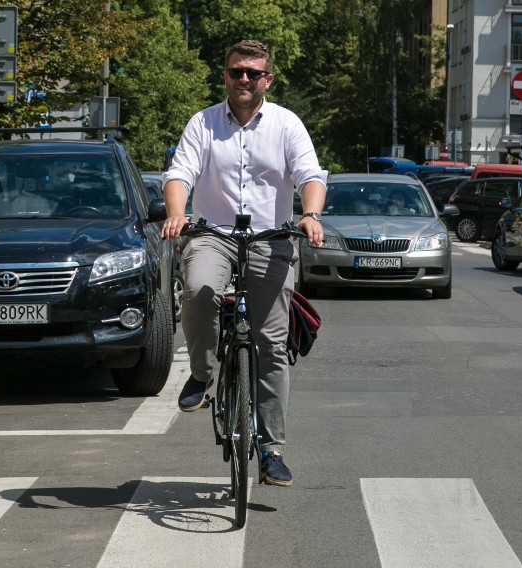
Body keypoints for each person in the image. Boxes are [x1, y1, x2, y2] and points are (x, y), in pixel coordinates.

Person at [160, 39, 327, 487]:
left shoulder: (287, 124)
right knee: (198, 290)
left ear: (267, 79)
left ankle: (272, 448)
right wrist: (177, 213)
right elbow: (179, 174)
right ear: (226, 76)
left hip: (270, 237)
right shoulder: (203, 123)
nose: (245, 80)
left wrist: (309, 215)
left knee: (271, 340)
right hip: (213, 233)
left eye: (254, 73)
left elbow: (310, 176)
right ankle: (201, 374)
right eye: (237, 72)